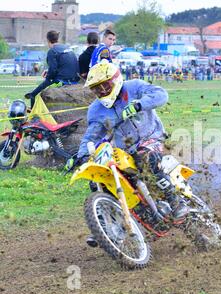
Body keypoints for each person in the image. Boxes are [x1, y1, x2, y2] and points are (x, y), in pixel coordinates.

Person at [66, 61, 189, 247]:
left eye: (105, 85)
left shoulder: (135, 87)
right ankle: (107, 226)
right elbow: (91, 136)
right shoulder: (96, 110)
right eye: (96, 89)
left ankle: (176, 202)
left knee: (144, 156)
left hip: (152, 138)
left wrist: (140, 105)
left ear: (115, 80)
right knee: (99, 179)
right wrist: (80, 156)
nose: (101, 91)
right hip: (125, 151)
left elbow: (161, 94)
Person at [25, 31, 79, 107]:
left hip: (63, 80)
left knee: (37, 92)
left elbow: (53, 70)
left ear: (48, 40)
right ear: (57, 39)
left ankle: (33, 109)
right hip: (75, 79)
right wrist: (48, 71)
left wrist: (48, 78)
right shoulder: (67, 47)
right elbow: (64, 64)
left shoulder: (52, 51)